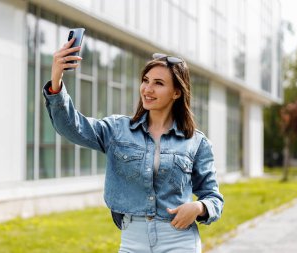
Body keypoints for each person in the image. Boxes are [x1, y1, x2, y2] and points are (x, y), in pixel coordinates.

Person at [43, 37, 224, 253]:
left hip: (179, 240)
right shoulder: (117, 130)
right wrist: (56, 79)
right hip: (132, 241)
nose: (147, 89)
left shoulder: (195, 142)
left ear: (177, 92)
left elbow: (213, 197)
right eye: (145, 80)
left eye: (158, 83)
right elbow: (72, 127)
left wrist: (198, 207)